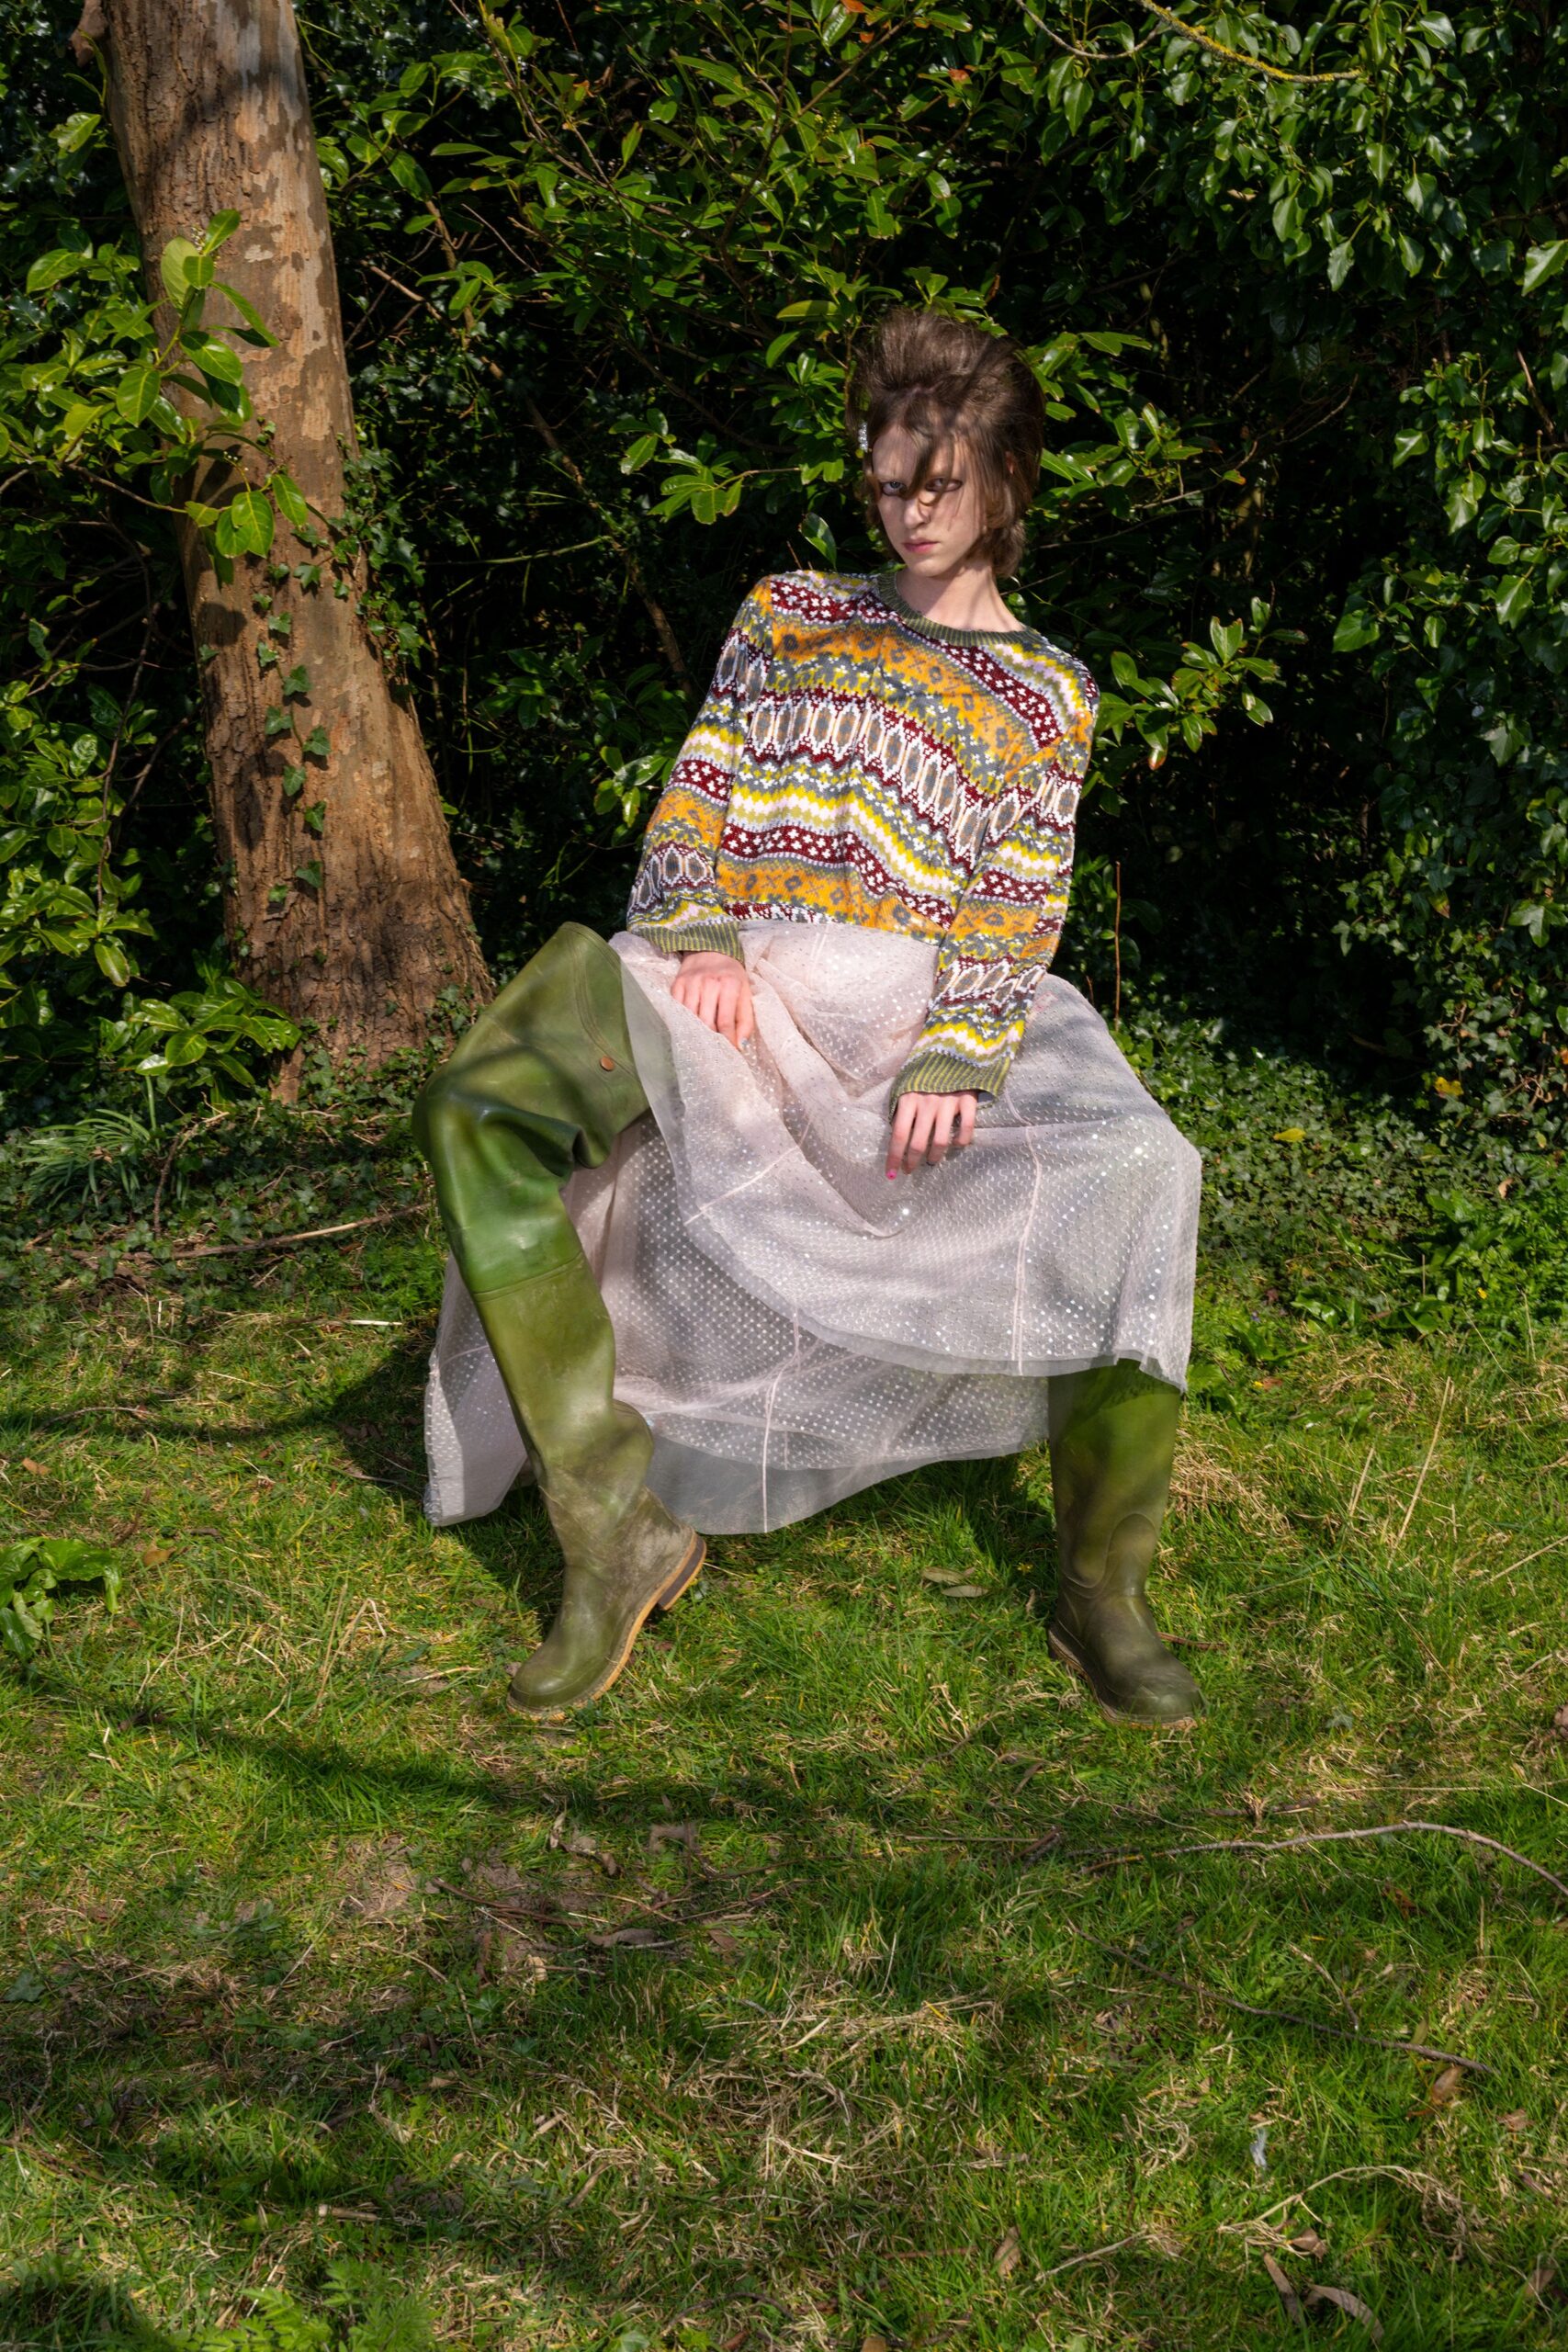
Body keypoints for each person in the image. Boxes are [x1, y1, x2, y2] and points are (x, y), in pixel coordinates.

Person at [414, 308, 1203, 1728]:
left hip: (902, 992)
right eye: (888, 481)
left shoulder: (1050, 692)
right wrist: (701, 931)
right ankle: (616, 1534)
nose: (906, 511)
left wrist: (961, 1045)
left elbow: (1017, 898)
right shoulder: (791, 607)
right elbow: (699, 788)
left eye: (938, 485)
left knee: (1148, 1173)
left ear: (1010, 481)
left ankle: (1105, 1587)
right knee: (477, 1101)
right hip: (706, 962)